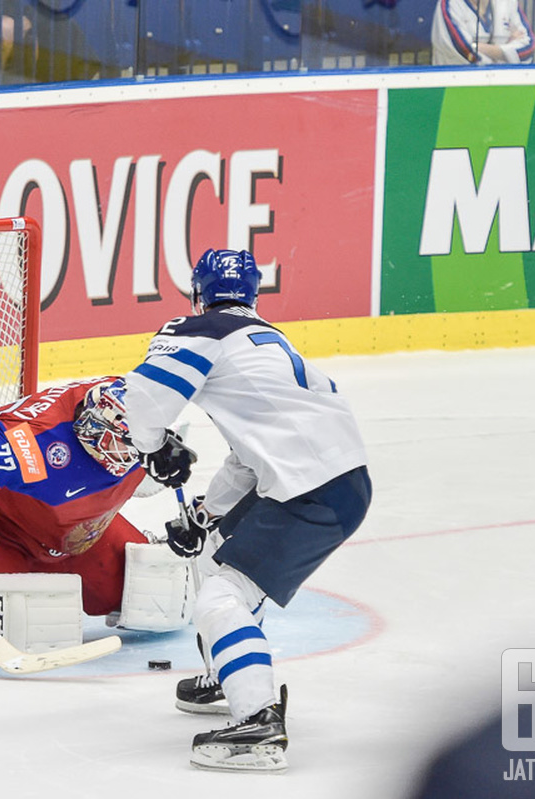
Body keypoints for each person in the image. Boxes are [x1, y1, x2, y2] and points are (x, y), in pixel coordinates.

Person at [123, 249, 372, 772]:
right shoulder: (268, 343)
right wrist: (206, 514)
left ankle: (258, 720)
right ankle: (227, 674)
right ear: (255, 294)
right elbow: (248, 457)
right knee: (212, 553)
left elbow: (144, 396)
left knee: (219, 597)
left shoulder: (203, 329)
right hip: (334, 480)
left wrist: (152, 446)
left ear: (198, 291)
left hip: (310, 489)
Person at [0, 376, 153, 618]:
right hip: (0, 532)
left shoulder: (139, 429)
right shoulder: (30, 446)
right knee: (5, 619)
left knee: (148, 590)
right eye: (129, 444)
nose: (134, 455)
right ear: (96, 429)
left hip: (78, 534)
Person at [431, 0, 535, 65]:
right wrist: (506, 52)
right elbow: (465, 51)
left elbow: (528, 49)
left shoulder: (508, 2)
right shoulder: (449, 4)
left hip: (503, 87)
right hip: (458, 88)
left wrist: (481, 47)